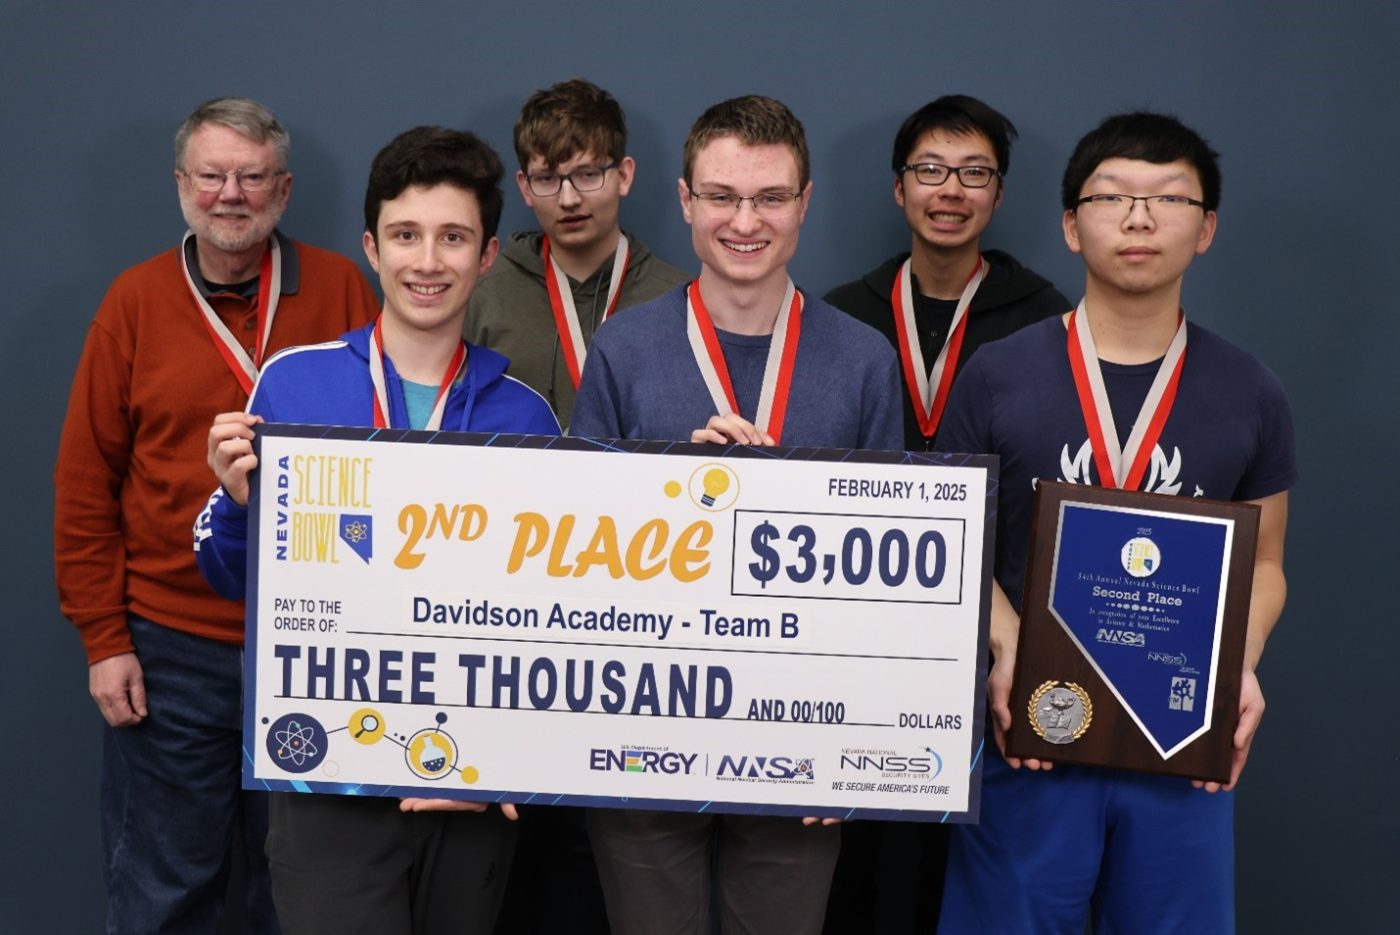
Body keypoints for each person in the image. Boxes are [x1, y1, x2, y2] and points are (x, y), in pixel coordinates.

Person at [934, 112, 1296, 934]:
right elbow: (954, 549)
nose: (1139, 218)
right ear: (1071, 224)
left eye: (1168, 198)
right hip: (1029, 729)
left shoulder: (1250, 390)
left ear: (1205, 230)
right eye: (1113, 197)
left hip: (1180, 743)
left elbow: (1267, 561)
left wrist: (1233, 664)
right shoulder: (998, 374)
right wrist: (1007, 646)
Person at [197, 126, 560, 934]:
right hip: (328, 774)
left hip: (470, 773)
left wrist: (517, 757)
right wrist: (235, 503)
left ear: (488, 254)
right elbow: (228, 576)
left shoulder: (525, 416)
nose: (427, 261)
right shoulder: (295, 381)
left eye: (453, 237)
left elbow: (549, 615)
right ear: (371, 246)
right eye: (405, 235)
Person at [571, 95, 902, 935]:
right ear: (684, 201)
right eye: (721, 196)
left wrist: (852, 752)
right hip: (642, 732)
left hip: (803, 739)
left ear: (804, 202)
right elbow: (572, 553)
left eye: (770, 197)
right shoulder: (625, 349)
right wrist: (672, 495)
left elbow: (895, 582)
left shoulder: (865, 361)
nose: (744, 220)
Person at [53, 96, 378, 933]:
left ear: (285, 187)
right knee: (167, 892)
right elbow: (86, 486)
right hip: (171, 651)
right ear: (181, 185)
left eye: (252, 176)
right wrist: (105, 639)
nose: (231, 193)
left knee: (304, 893)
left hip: (316, 644)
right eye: (212, 175)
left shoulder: (343, 288)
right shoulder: (132, 302)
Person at [825, 94, 1069, 453]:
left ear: (998, 194)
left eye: (974, 172)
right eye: (930, 170)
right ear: (899, 189)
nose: (951, 191)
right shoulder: (844, 314)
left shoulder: (1043, 317)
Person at [467, 78, 687, 430]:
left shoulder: (680, 300)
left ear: (624, 176)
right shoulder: (482, 296)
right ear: (525, 187)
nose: (568, 199)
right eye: (547, 179)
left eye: (587, 174)